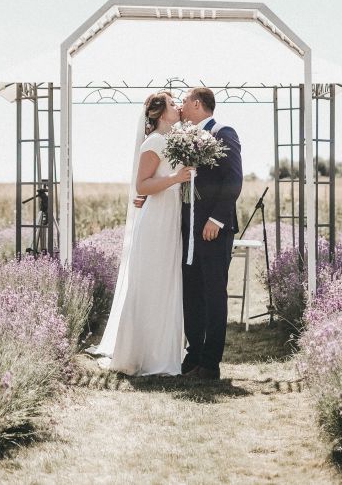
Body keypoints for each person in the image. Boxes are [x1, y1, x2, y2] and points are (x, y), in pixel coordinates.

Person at [87, 92, 194, 376]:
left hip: (172, 215)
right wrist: (176, 178)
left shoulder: (175, 140)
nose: (178, 107)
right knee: (151, 282)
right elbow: (142, 185)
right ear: (159, 113)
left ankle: (163, 353)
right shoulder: (154, 141)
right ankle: (141, 354)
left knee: (167, 283)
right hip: (157, 219)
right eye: (172, 104)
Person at [177, 87, 242, 380]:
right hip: (190, 230)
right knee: (192, 294)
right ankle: (193, 356)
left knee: (214, 294)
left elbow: (233, 179)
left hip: (213, 230)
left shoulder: (223, 133)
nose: (180, 107)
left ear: (197, 104)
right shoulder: (183, 137)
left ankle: (210, 363)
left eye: (184, 101)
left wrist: (216, 219)